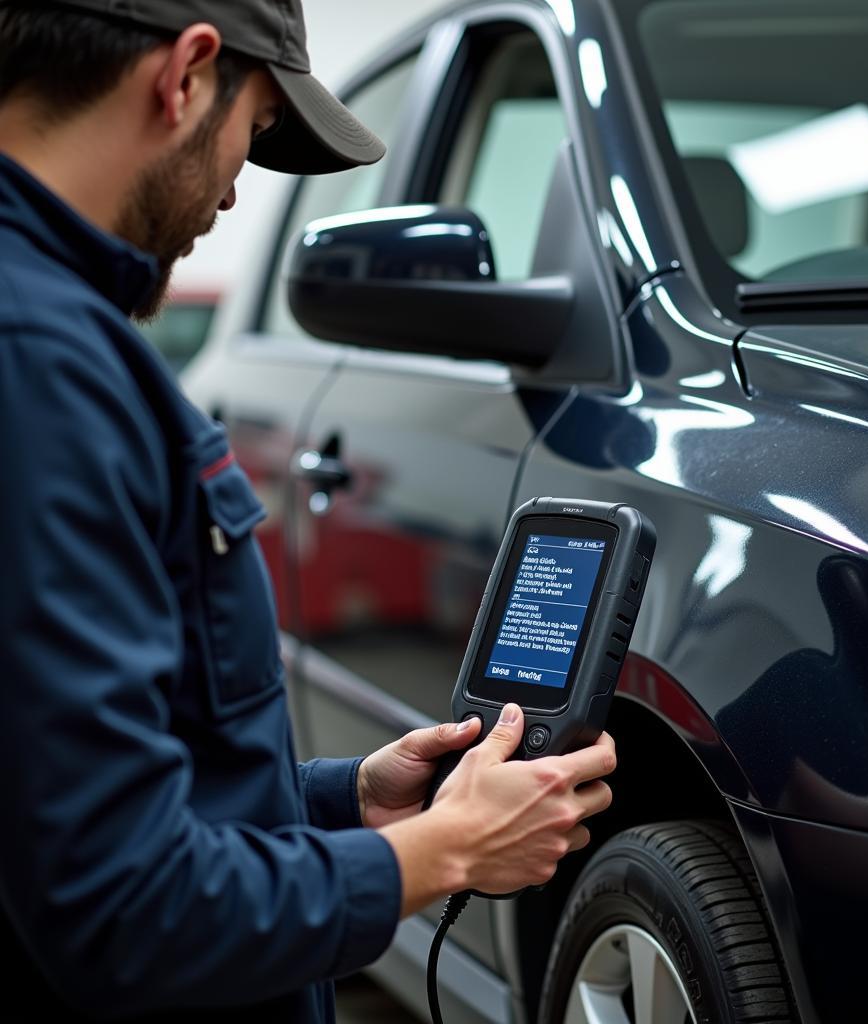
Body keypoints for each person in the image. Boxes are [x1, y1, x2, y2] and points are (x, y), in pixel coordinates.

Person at [0, 1, 617, 1020]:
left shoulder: (54, 338)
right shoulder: (42, 364)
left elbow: (58, 788)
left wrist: (337, 801)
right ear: (187, 74)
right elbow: (117, 905)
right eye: (258, 130)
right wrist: (440, 850)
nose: (238, 185)